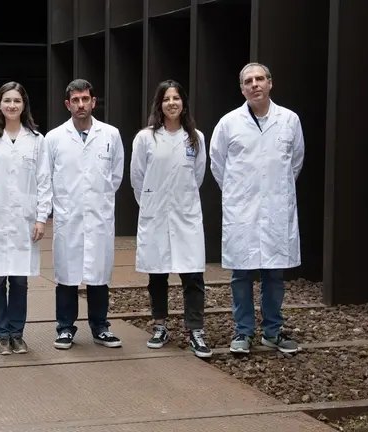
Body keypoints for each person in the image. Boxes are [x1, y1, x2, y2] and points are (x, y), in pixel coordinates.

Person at [210, 62, 304, 354]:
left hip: (275, 208)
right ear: (242, 88)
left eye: (260, 79)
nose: (255, 85)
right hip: (243, 210)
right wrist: (239, 193)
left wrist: (274, 191)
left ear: (270, 83)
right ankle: (243, 332)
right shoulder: (229, 123)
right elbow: (217, 163)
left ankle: (273, 331)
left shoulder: (289, 120)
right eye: (248, 81)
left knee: (274, 274)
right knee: (241, 274)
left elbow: (295, 162)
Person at [130, 80, 211, 358]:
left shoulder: (195, 137)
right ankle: (160, 325)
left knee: (193, 275)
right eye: (166, 99)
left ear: (184, 103)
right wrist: (153, 204)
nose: (172, 103)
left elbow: (197, 176)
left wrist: (179, 201)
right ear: (159, 104)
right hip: (156, 215)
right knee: (158, 274)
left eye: (176, 98)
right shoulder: (145, 138)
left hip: (185, 214)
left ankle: (195, 329)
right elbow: (137, 177)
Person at [0, 82, 52, 355]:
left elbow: (44, 181)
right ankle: (0, 335)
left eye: (17, 100)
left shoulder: (37, 140)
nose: (12, 105)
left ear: (24, 104)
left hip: (24, 221)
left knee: (19, 280)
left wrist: (41, 217)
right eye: (7, 100)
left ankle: (17, 333)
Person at [45, 78, 124, 350]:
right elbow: (47, 178)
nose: (81, 105)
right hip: (69, 217)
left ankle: (101, 327)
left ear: (93, 102)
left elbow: (116, 176)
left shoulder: (110, 135)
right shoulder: (54, 138)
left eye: (85, 99)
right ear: (68, 104)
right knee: (66, 276)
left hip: (98, 216)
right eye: (75, 100)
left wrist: (96, 201)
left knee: (98, 275)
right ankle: (65, 328)